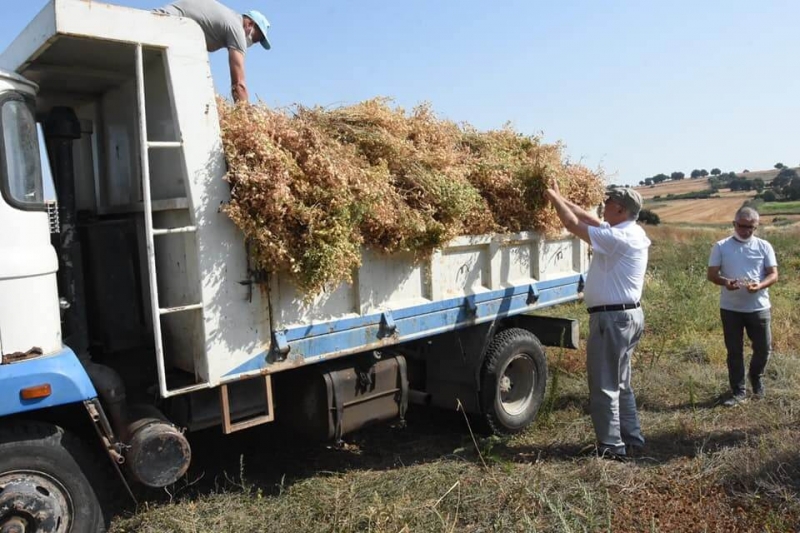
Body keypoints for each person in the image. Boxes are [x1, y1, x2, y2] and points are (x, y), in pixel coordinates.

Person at [545, 184, 650, 460]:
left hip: (612, 319)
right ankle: (632, 438)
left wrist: (554, 198)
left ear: (621, 209)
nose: (604, 203)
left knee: (604, 384)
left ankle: (611, 447)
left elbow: (571, 223)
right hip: (626, 317)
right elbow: (589, 219)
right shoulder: (631, 230)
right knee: (621, 382)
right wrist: (564, 196)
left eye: (610, 200)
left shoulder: (618, 238)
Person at [707, 207, 778, 406]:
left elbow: (773, 274)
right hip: (731, 309)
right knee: (734, 351)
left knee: (763, 348)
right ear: (734, 224)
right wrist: (725, 283)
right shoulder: (721, 246)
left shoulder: (764, 246)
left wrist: (760, 285)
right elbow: (712, 275)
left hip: (759, 306)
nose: (746, 231)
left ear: (756, 226)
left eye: (751, 227)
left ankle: (756, 377)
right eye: (742, 226)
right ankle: (738, 391)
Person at [154, 0, 271, 102]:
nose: (252, 43)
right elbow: (239, 84)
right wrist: (245, 117)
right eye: (255, 39)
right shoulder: (237, 29)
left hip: (159, 22)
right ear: (249, 24)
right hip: (164, 27)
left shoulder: (228, 19)